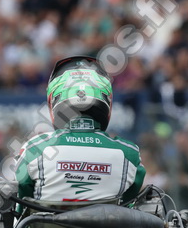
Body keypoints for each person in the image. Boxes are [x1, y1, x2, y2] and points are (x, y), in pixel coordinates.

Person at [15, 56, 145, 205]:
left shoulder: (35, 148)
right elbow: (129, 205)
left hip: (48, 220)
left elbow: (22, 203)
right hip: (108, 221)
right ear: (106, 100)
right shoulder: (130, 154)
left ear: (54, 99)